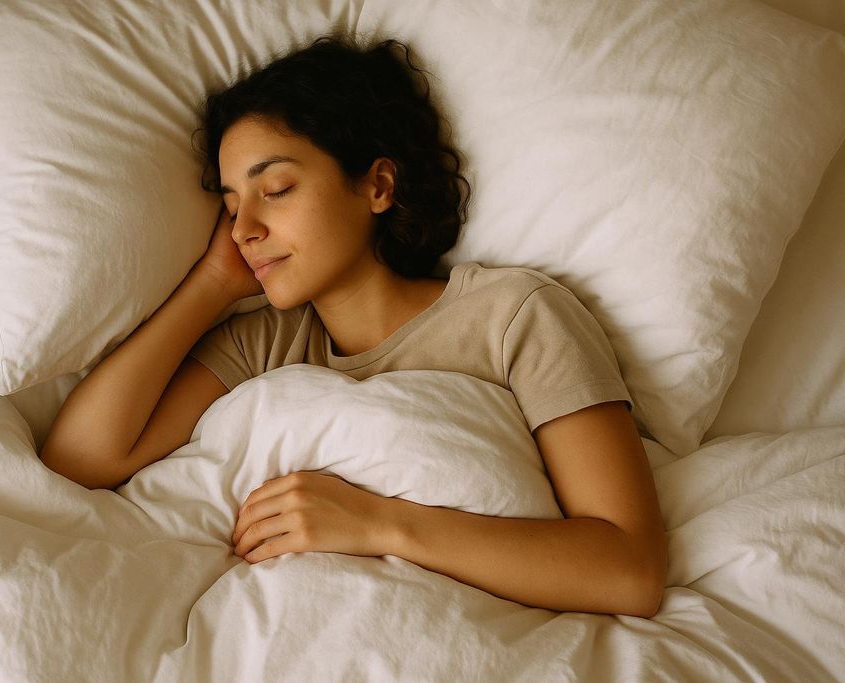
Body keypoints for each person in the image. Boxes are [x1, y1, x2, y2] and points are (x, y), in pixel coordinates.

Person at [39, 35, 667, 618]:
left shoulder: (514, 316)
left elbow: (628, 569)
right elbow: (81, 458)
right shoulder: (271, 343)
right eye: (230, 207)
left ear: (377, 185)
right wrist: (213, 284)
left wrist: (377, 524)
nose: (243, 228)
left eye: (276, 188)